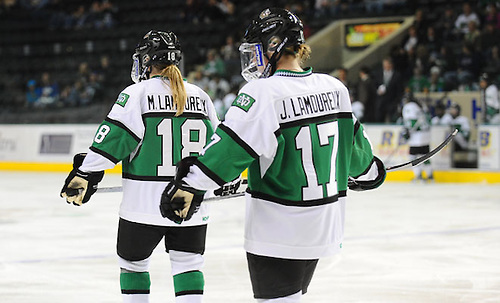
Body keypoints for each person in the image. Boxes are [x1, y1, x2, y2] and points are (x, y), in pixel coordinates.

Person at [159, 8, 386, 303]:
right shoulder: (335, 88)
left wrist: (188, 183)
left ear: (272, 46)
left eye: (256, 49)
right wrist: (371, 174)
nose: (253, 59)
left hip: (279, 230)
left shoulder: (261, 93)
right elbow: (361, 161)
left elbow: (227, 153)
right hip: (324, 224)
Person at [60, 30, 221, 303]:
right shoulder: (200, 96)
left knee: (133, 265)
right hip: (188, 200)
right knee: (188, 265)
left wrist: (86, 172)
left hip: (143, 205)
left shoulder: (137, 93)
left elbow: (114, 140)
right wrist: (221, 180)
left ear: (147, 60)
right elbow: (218, 147)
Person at [401, 96, 433, 181]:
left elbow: (411, 121)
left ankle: (418, 175)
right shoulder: (420, 106)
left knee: (413, 156)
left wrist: (406, 132)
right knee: (425, 156)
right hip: (425, 135)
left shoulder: (410, 106)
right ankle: (430, 175)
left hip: (417, 137)